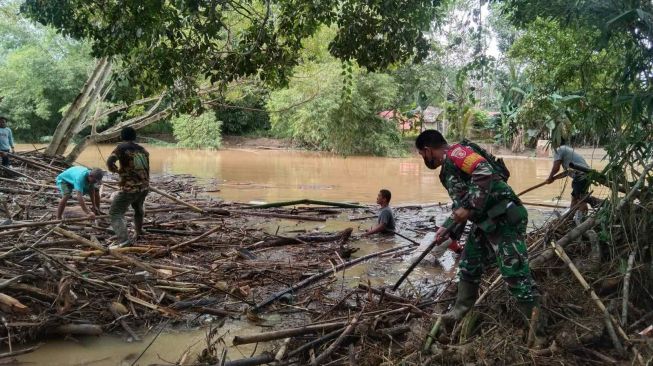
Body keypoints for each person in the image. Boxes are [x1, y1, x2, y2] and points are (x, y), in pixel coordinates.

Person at [415, 130, 540, 329]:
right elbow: (462, 206)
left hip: (504, 218)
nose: (424, 160)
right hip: (485, 223)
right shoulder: (448, 168)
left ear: (428, 150)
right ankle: (458, 314)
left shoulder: (456, 153)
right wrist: (446, 228)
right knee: (468, 266)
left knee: (515, 274)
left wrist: (469, 207)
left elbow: (483, 170)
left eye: (422, 155)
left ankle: (538, 333)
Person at [107, 127, 150, 247]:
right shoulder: (143, 150)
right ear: (134, 137)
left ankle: (124, 241)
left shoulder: (121, 147)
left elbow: (110, 161)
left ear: (122, 137)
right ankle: (139, 231)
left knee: (115, 213)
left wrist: (114, 170)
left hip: (129, 189)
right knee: (138, 208)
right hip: (144, 187)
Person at [545, 139, 590, 223]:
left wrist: (550, 177)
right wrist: (553, 179)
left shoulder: (559, 150)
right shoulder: (566, 151)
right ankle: (570, 218)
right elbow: (566, 173)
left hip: (581, 176)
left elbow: (556, 168)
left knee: (580, 200)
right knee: (575, 198)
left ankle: (582, 221)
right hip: (585, 175)